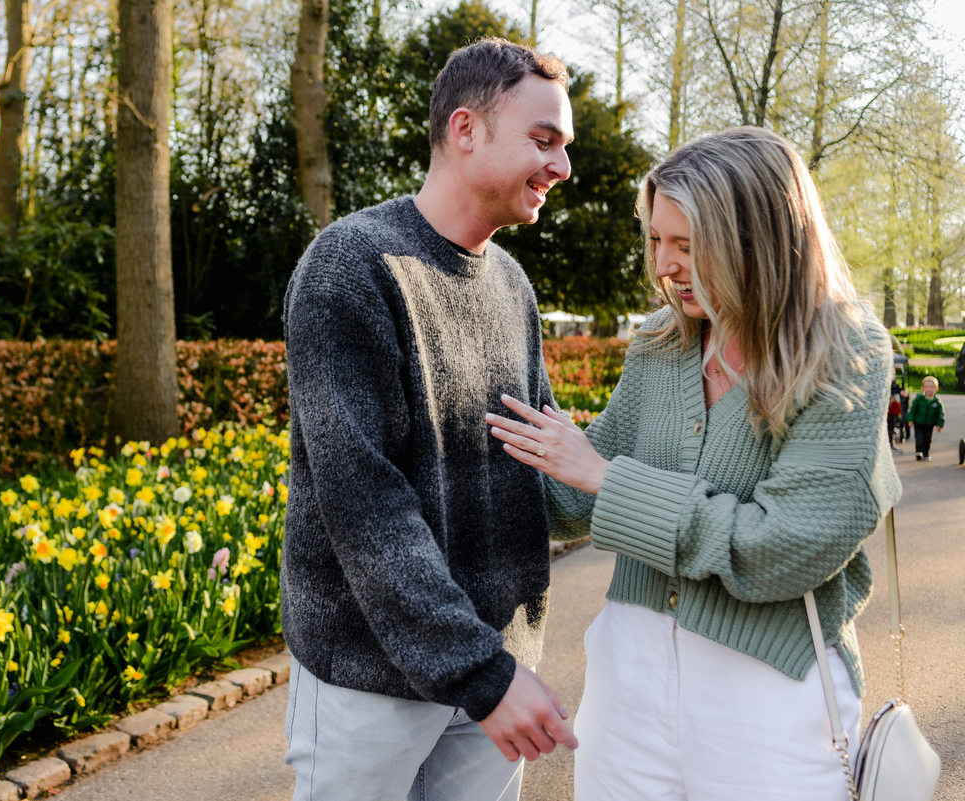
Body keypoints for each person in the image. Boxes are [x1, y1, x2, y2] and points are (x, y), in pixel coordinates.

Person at [486, 127, 901, 801]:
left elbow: (783, 549)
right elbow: (574, 500)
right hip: (629, 679)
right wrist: (496, 404)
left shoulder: (845, 354)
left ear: (759, 240)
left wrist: (606, 478)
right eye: (656, 240)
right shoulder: (660, 343)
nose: (665, 267)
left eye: (686, 245)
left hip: (772, 690)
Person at [281, 37, 577, 801]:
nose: (562, 167)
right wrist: (481, 671)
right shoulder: (350, 266)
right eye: (543, 140)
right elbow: (364, 504)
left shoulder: (512, 284)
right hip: (369, 681)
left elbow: (546, 459)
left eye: (564, 146)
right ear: (466, 128)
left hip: (492, 675)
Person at [909, 375, 945, 460]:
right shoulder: (919, 399)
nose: (929, 389)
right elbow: (912, 409)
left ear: (936, 389)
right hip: (919, 423)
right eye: (927, 387)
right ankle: (918, 451)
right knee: (919, 438)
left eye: (932, 387)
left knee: (928, 440)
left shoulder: (937, 402)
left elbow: (940, 414)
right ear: (923, 388)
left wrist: (940, 424)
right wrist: (910, 419)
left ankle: (926, 453)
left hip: (929, 424)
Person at [887, 381, 903, 451]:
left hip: (892, 413)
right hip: (888, 412)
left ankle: (890, 443)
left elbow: (897, 404)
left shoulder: (895, 387)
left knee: (891, 427)